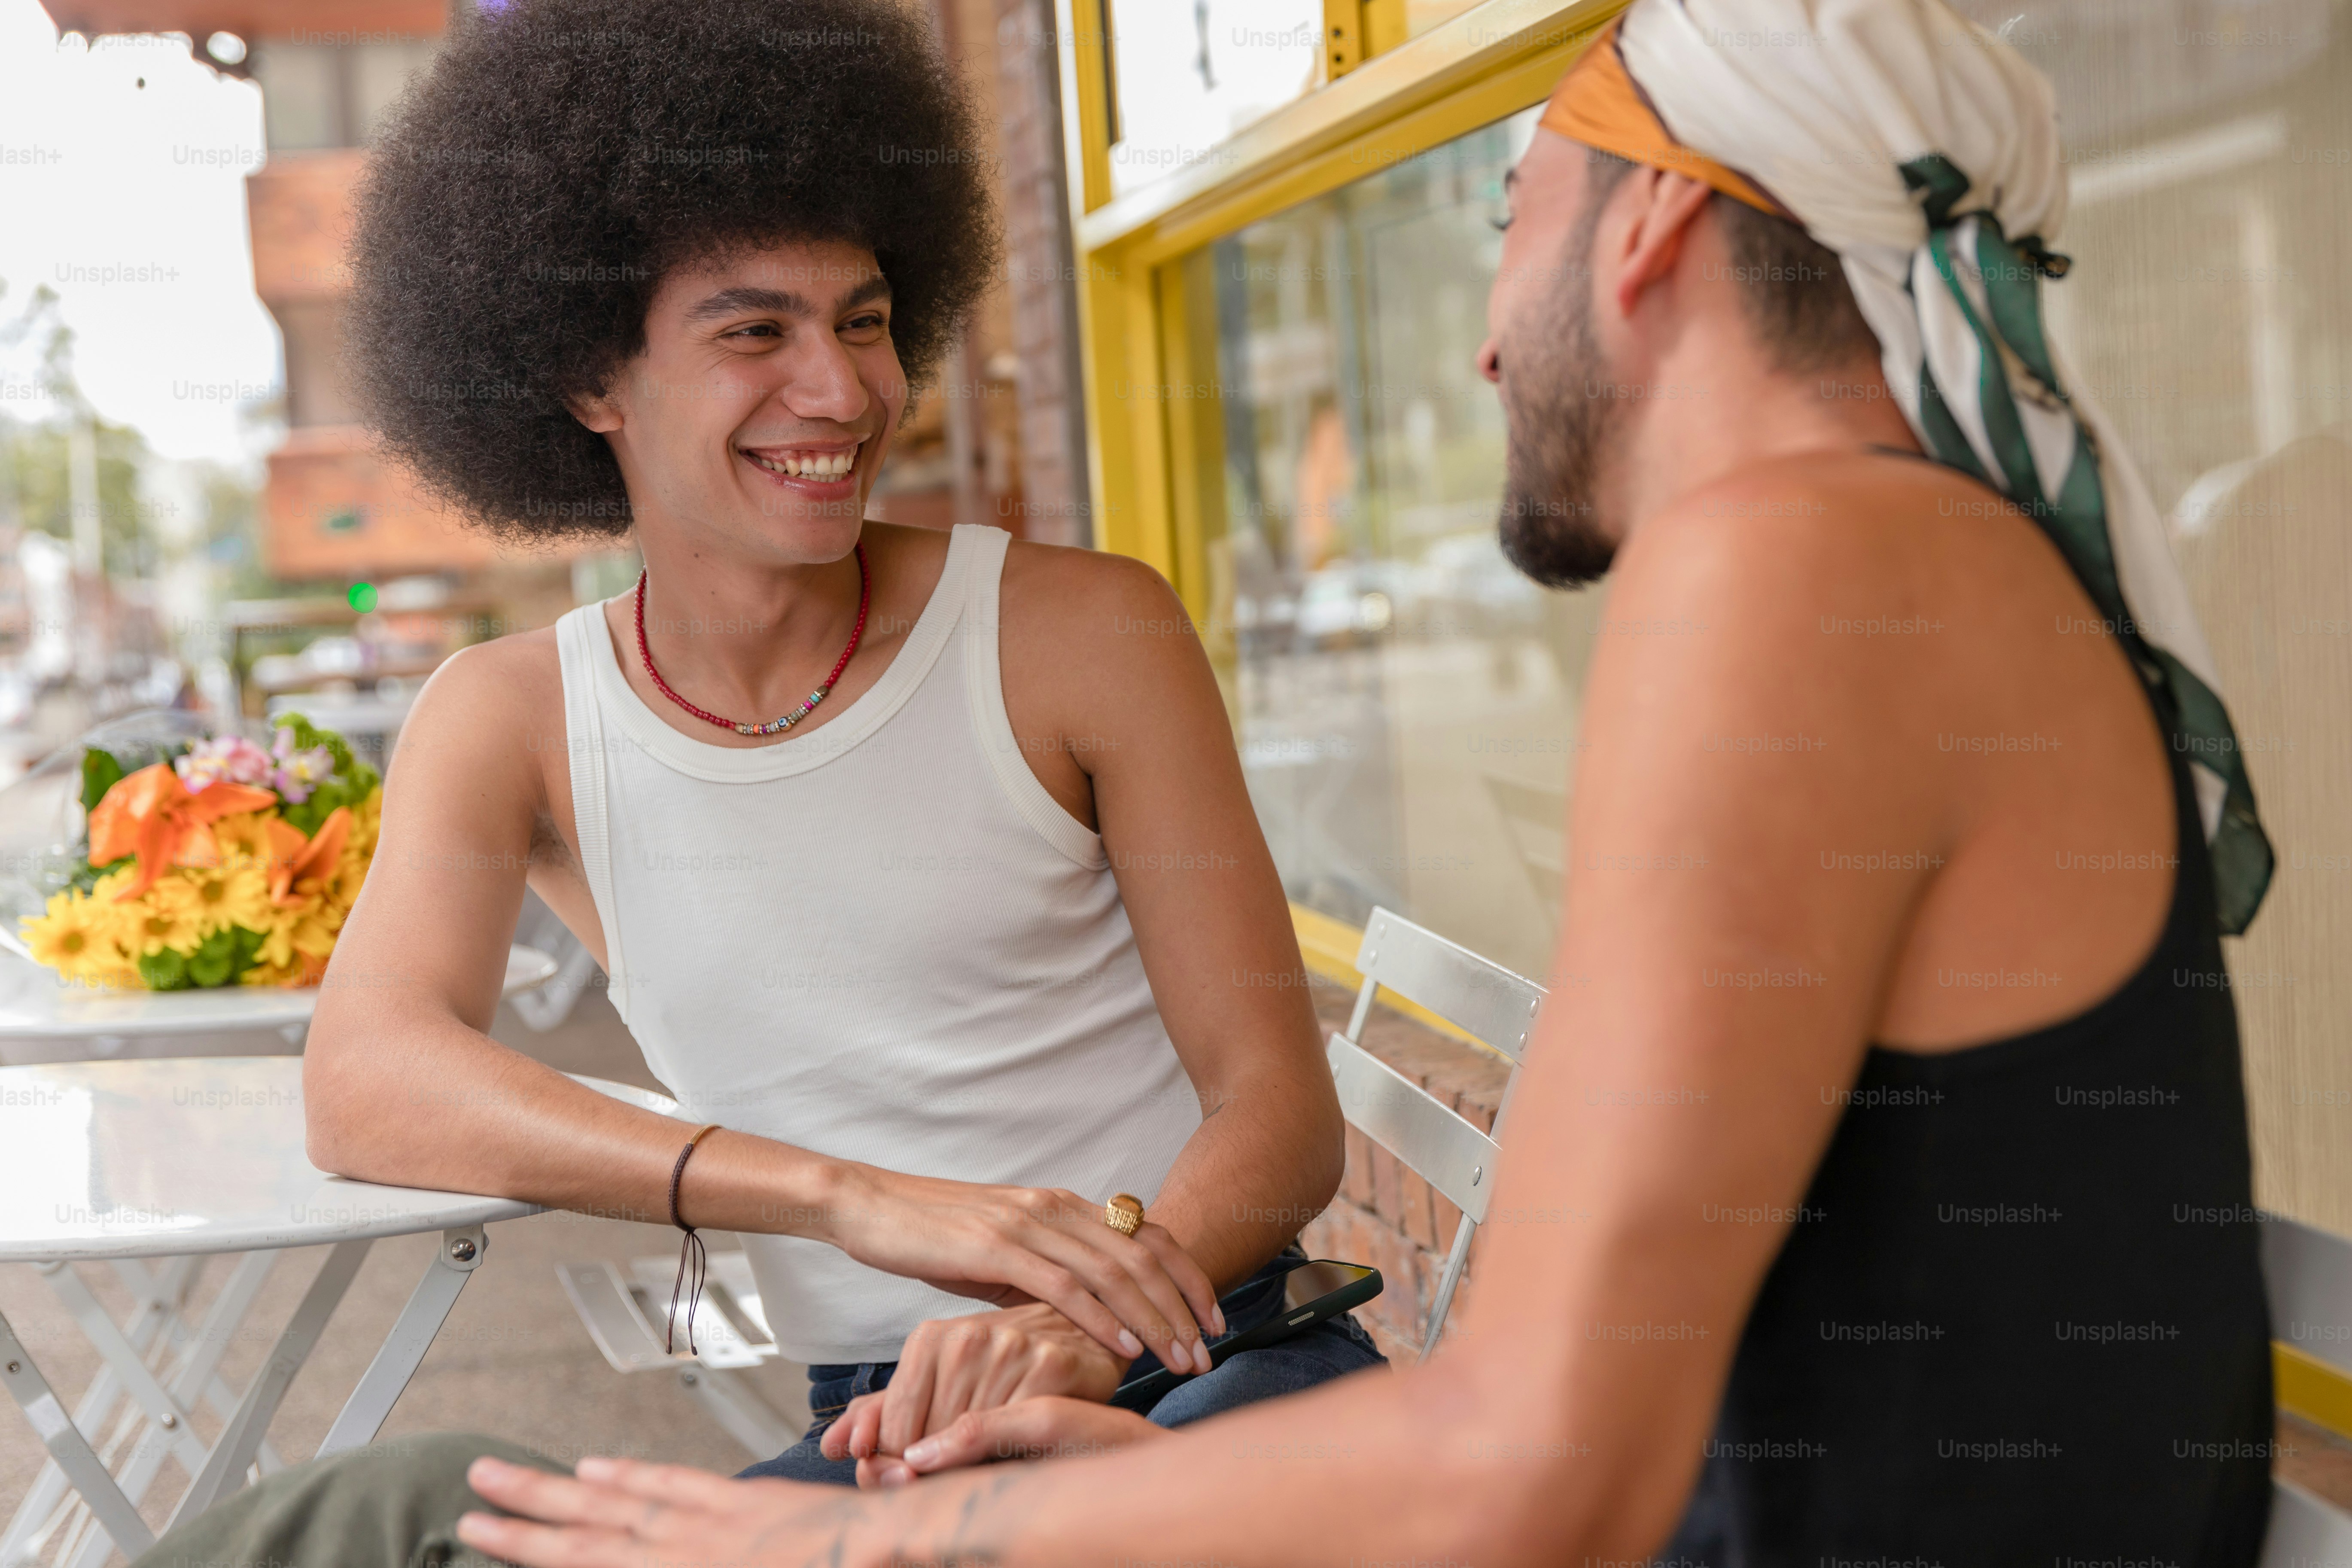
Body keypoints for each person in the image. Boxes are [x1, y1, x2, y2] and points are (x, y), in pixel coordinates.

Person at [134, 0, 2278, 1563]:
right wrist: (1138, 1483)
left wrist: (864, 1547)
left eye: (1508, 221)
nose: (1474, 347)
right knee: (385, 1519)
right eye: (753, 333)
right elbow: (1574, 1422)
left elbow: (1543, 1461)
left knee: (372, 1527)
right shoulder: (1896, 566)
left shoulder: (1809, 569)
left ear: (1642, 235)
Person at [286, 0, 1381, 1494]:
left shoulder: (1084, 633)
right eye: (756, 331)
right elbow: (367, 1079)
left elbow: (1280, 1109)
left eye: (863, 319)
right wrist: (852, 1201)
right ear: (589, 378)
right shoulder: (511, 719)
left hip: (1208, 1349)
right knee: (395, 1506)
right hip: (883, 1433)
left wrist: (1085, 1311)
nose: (844, 390)